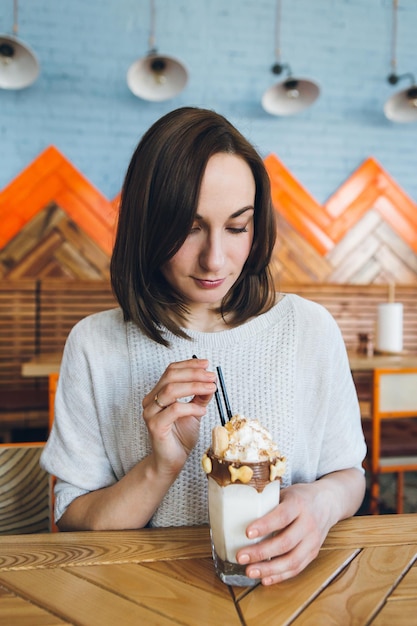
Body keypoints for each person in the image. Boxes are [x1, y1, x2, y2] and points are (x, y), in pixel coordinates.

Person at [40, 106, 366, 586]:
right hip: (144, 599)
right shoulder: (95, 345)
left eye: (237, 227)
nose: (215, 258)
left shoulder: (308, 328)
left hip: (292, 594)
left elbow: (349, 475)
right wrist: (160, 466)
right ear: (149, 225)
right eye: (190, 227)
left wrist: (323, 503)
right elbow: (72, 516)